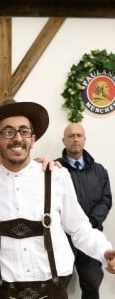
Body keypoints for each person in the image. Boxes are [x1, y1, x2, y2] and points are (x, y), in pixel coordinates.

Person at [0, 99, 115, 299]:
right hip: (3, 293)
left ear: (32, 139)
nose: (17, 138)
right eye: (8, 132)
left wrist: (105, 252)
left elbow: (79, 229)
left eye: (24, 131)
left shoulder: (57, 177)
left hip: (53, 292)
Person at [56, 123, 112, 299]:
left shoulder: (99, 171)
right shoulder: (54, 170)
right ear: (64, 140)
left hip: (91, 236)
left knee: (92, 285)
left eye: (79, 135)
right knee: (57, 285)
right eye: (71, 136)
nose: (75, 139)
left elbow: (106, 199)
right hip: (62, 239)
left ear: (84, 140)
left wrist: (91, 222)